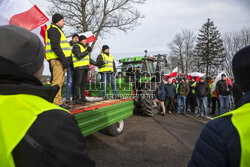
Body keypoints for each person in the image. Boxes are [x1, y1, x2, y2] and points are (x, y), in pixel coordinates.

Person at [0, 25, 95, 167]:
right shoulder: (54, 120)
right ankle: (60, 100)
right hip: (63, 62)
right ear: (37, 67)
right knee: (61, 82)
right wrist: (64, 59)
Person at [188, 45, 250, 167]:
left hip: (214, 97)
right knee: (220, 107)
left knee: (215, 107)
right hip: (213, 96)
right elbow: (213, 88)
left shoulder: (220, 130)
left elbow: (208, 89)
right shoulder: (214, 83)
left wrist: (209, 93)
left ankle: (205, 113)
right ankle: (203, 113)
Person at [45, 13, 71, 109]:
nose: (64, 22)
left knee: (60, 82)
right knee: (57, 82)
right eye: (63, 20)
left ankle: (58, 101)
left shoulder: (56, 30)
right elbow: (55, 46)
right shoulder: (54, 30)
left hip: (59, 59)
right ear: (57, 21)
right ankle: (56, 102)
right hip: (57, 60)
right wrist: (63, 59)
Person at [72, 35, 96, 104]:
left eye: (86, 39)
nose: (86, 40)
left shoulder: (84, 48)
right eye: (84, 39)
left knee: (83, 84)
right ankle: (76, 99)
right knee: (77, 84)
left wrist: (97, 64)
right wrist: (87, 51)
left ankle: (83, 98)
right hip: (79, 67)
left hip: (85, 68)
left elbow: (89, 60)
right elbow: (79, 56)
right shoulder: (76, 46)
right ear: (80, 40)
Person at [65, 33, 79, 103]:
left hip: (77, 66)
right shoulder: (68, 45)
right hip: (70, 65)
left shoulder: (79, 46)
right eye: (75, 37)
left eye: (77, 38)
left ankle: (74, 97)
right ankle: (67, 97)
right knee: (69, 81)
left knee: (75, 82)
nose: (76, 39)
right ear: (72, 38)